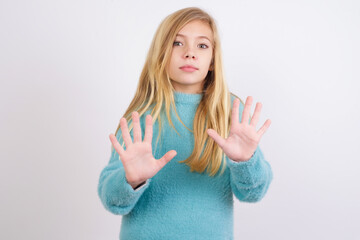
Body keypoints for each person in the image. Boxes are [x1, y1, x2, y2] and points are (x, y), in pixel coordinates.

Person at [98, 7, 273, 240]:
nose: (190, 53)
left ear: (212, 60)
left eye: (202, 45)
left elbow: (254, 193)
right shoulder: (140, 119)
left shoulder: (230, 114)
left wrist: (245, 162)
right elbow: (112, 201)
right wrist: (132, 180)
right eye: (177, 43)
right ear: (161, 53)